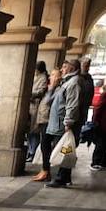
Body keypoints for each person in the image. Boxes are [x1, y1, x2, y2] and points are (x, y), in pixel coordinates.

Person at [43, 59, 85, 188]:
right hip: (59, 123)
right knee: (65, 149)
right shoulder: (68, 82)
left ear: (72, 68)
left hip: (62, 124)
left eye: (64, 67)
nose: (62, 69)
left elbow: (72, 104)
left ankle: (62, 177)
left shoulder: (73, 83)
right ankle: (64, 176)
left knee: (63, 150)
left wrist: (68, 122)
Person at [26, 61, 50, 165]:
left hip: (36, 107)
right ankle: (31, 151)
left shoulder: (43, 78)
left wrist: (30, 94)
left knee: (34, 132)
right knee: (30, 132)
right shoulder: (38, 77)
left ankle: (32, 152)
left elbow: (40, 92)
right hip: (32, 107)